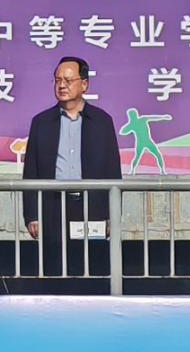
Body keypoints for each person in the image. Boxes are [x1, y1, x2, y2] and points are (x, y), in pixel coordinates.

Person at [21, 56, 122, 278]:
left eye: (68, 80)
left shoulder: (102, 121)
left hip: (90, 206)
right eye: (57, 80)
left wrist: (111, 214)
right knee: (53, 270)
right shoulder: (41, 122)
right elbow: (31, 171)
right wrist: (31, 215)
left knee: (91, 270)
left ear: (84, 84)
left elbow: (112, 170)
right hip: (52, 206)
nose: (62, 85)